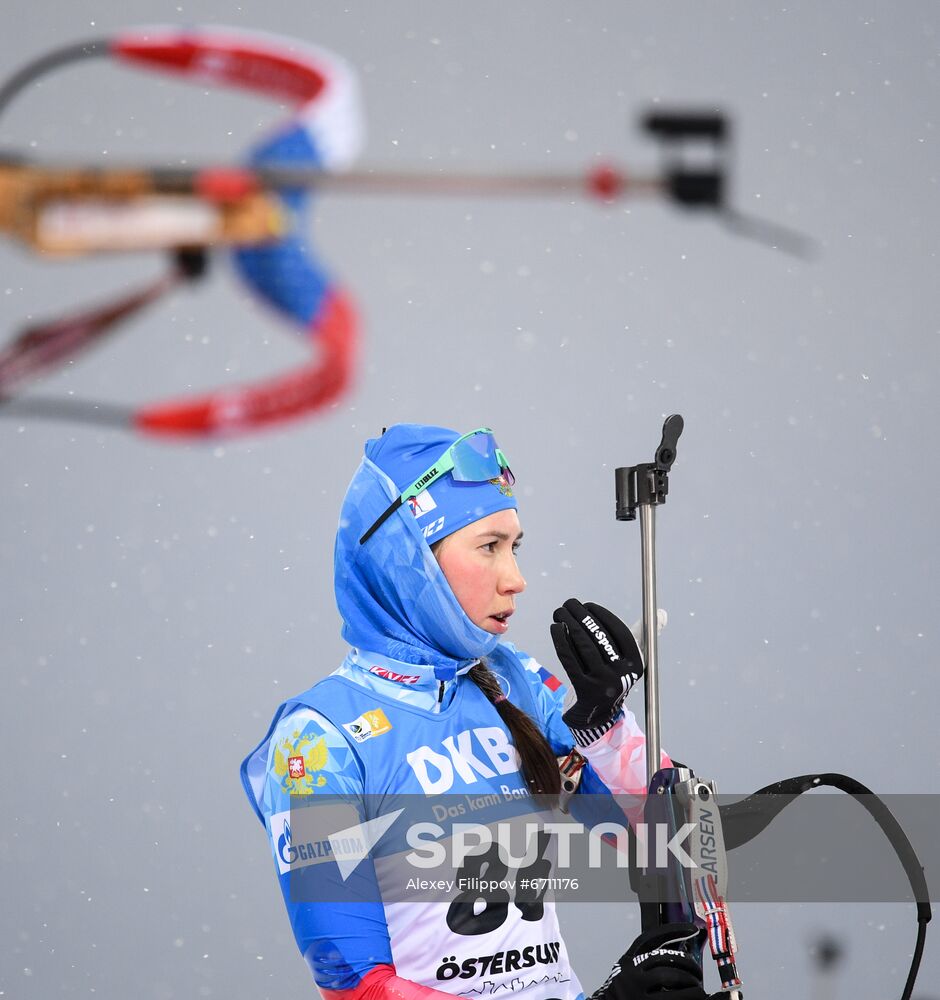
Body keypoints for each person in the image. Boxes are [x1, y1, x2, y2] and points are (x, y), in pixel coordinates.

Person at [241, 423, 715, 1000]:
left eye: (515, 547)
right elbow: (358, 987)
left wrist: (606, 727)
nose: (516, 579)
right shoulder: (317, 741)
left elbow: (674, 845)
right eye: (489, 546)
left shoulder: (512, 681)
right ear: (408, 561)